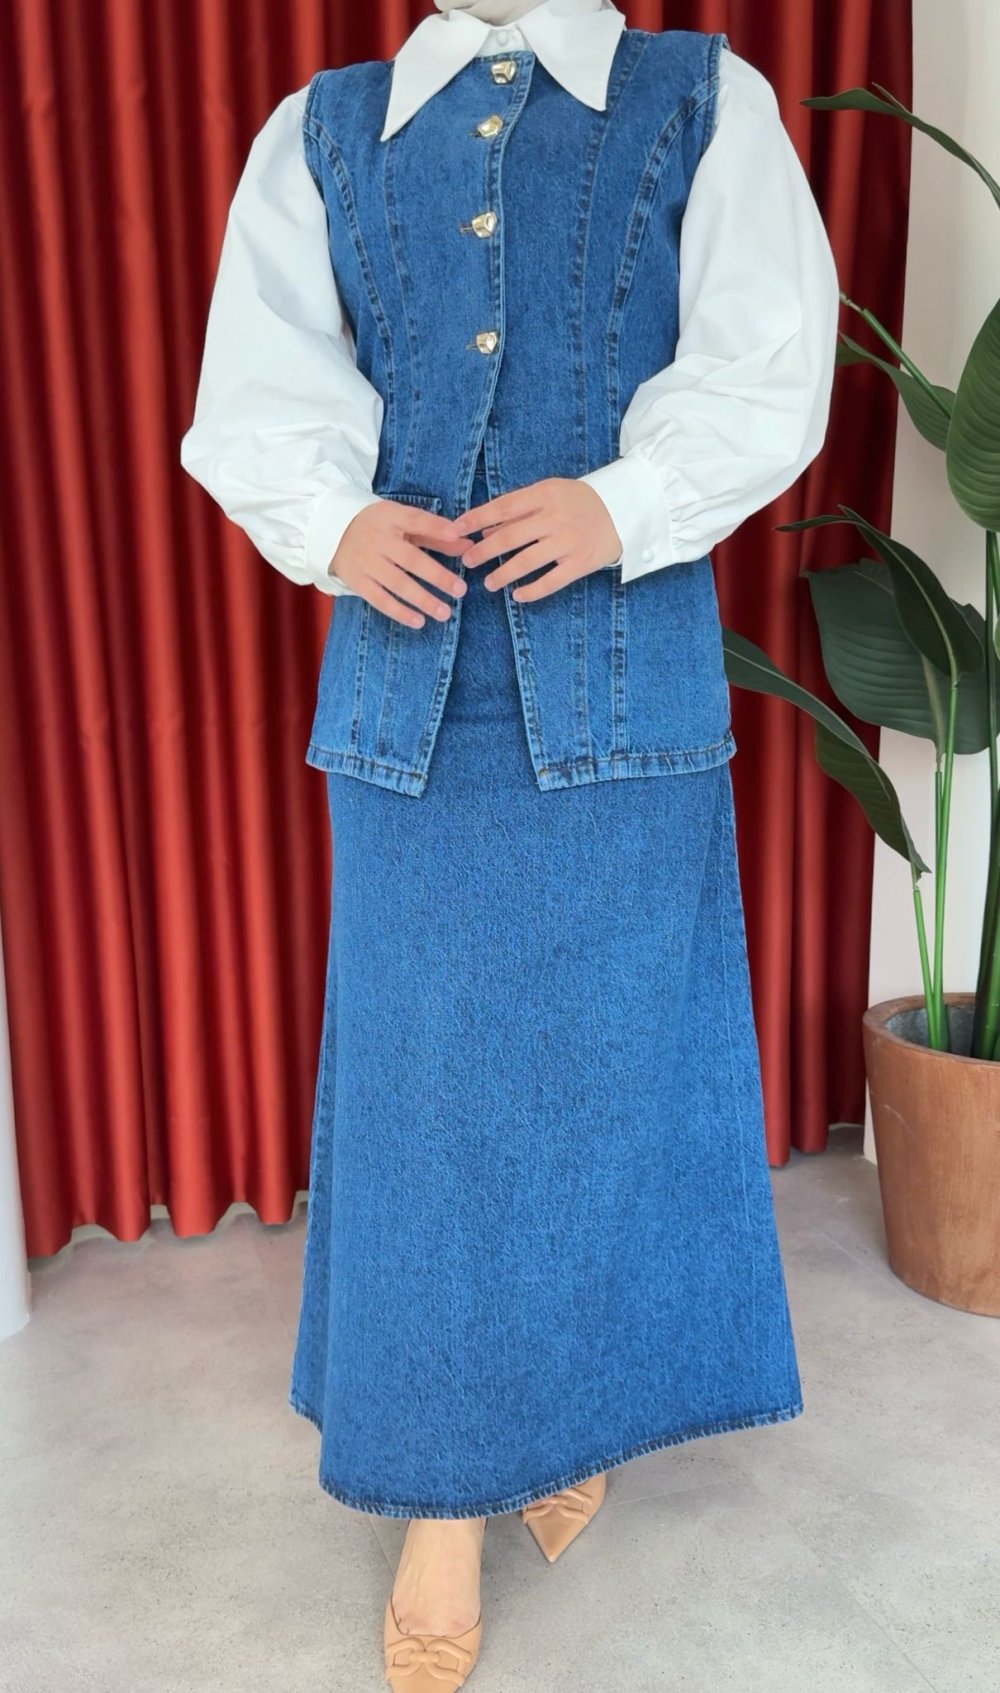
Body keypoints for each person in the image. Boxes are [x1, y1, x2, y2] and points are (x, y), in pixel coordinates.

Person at [180, 1, 840, 1686]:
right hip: (410, 680)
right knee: (423, 1096)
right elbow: (260, 384)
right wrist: (333, 520)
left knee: (606, 1078)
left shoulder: (700, 100)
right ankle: (442, 1495)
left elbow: (770, 358)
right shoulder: (326, 131)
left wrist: (626, 499)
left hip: (624, 671)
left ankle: (560, 1417)